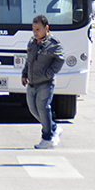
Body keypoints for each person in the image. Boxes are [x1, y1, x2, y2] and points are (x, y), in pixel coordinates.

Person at [21, 14, 64, 149]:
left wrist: (48, 74)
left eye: (38, 29)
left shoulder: (53, 43)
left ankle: (47, 138)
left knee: (43, 108)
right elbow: (29, 60)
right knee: (33, 109)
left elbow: (60, 60)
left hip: (45, 83)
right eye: (33, 29)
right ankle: (54, 128)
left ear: (46, 28)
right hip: (32, 82)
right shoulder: (32, 42)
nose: (35, 32)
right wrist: (24, 73)